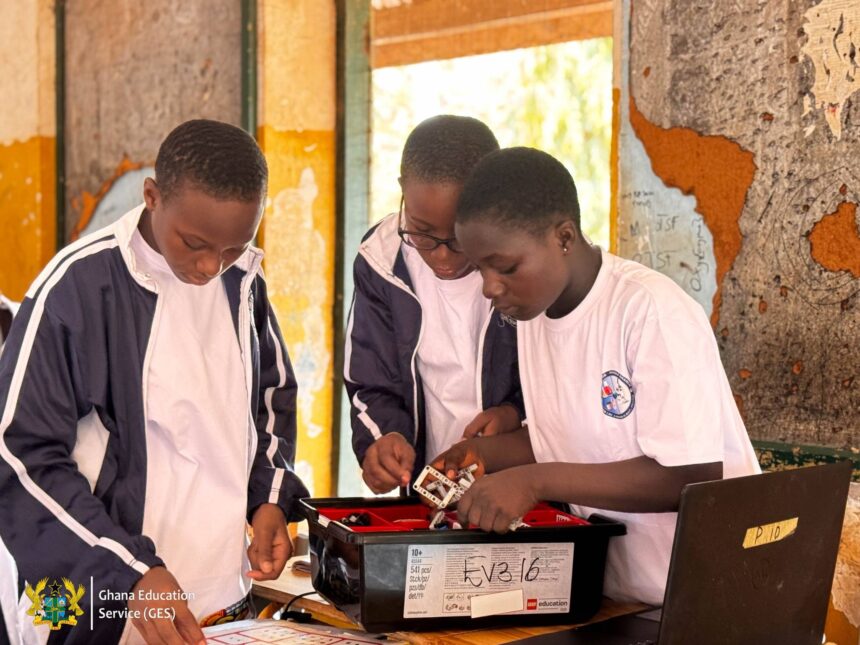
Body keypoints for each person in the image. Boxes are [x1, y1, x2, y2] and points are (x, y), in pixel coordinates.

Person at [0, 119, 309, 644]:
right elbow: (19, 456)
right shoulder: (76, 289)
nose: (211, 266)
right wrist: (130, 573)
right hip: (92, 595)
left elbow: (271, 399)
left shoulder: (243, 284)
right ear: (151, 197)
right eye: (194, 243)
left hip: (214, 597)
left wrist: (271, 500)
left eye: (234, 247)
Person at [434, 146, 761, 605]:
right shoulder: (533, 317)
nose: (490, 287)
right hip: (626, 595)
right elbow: (573, 436)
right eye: (480, 268)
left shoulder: (648, 311)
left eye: (505, 267)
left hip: (717, 593)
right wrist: (482, 455)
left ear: (564, 237)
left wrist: (532, 481)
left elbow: (689, 477)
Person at [344, 115, 523, 495]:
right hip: (434, 489)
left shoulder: (526, 260)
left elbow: (566, 385)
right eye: (422, 233)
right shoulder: (382, 260)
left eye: (459, 237)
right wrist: (384, 437)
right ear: (402, 191)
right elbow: (369, 379)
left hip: (523, 485)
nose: (442, 256)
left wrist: (514, 415)